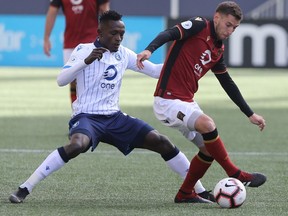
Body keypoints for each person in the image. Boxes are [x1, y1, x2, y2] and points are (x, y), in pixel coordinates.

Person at [9, 10, 214, 204]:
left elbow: (154, 71)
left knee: (162, 142)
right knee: (77, 144)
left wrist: (186, 63)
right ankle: (25, 188)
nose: (118, 38)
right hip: (87, 117)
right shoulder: (83, 50)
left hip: (115, 118)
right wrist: (85, 62)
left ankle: (200, 190)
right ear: (100, 33)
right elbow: (61, 80)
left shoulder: (123, 54)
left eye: (122, 34)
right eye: (113, 33)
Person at [136, 1, 267, 203]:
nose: (231, 30)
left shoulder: (218, 49)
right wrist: (149, 50)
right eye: (228, 24)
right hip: (167, 101)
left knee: (209, 149)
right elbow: (169, 33)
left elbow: (227, 83)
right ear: (217, 18)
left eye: (235, 27)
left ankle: (185, 193)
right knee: (207, 124)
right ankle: (236, 173)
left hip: (186, 102)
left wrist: (250, 114)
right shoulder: (199, 25)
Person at [44, 0, 110, 105]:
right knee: (73, 82)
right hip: (71, 44)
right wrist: (46, 38)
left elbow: (105, 11)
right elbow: (52, 12)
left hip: (92, 43)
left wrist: (108, 36)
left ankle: (95, 112)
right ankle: (77, 114)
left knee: (94, 81)